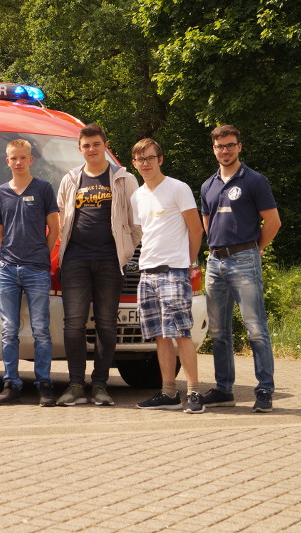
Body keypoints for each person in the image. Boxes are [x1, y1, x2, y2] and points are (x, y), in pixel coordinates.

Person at [56, 124, 141, 407]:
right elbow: (60, 219)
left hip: (109, 260)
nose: (91, 149)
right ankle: (76, 384)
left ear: (105, 144)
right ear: (79, 149)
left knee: (106, 324)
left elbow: (135, 222)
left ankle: (101, 384)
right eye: (86, 145)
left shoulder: (123, 179)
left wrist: (126, 252)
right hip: (75, 260)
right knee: (74, 324)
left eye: (96, 143)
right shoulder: (70, 179)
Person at [200, 125, 281, 413]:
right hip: (215, 262)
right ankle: (224, 390)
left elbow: (273, 221)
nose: (225, 150)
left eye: (230, 145)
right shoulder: (207, 185)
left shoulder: (255, 181)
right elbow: (207, 223)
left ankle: (264, 390)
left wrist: (255, 249)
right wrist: (214, 249)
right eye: (220, 146)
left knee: (256, 329)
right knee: (219, 331)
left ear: (239, 147)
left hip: (245, 258)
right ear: (214, 149)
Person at [130, 138, 205, 414]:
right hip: (147, 273)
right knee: (160, 336)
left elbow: (196, 229)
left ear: (160, 159)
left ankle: (194, 393)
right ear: (134, 164)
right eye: (140, 159)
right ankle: (168, 393)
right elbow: (143, 235)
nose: (145, 164)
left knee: (182, 333)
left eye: (150, 158)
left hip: (174, 271)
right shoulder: (137, 196)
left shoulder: (177, 188)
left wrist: (186, 264)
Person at [0, 139, 60, 407]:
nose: (18, 162)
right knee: (9, 330)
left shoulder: (43, 189)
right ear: (7, 161)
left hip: (37, 269)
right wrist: (8, 253)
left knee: (41, 330)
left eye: (22, 157)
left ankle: (44, 384)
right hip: (7, 270)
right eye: (13, 158)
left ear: (31, 160)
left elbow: (54, 227)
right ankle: (11, 384)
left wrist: (43, 253)